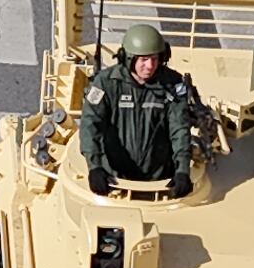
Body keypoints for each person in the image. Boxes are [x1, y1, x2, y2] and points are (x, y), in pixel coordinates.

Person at [77, 24, 199, 194]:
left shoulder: (172, 84)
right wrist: (94, 167)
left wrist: (182, 170)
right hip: (114, 179)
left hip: (159, 178)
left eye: (155, 59)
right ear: (128, 58)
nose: (150, 66)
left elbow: (179, 128)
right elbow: (90, 124)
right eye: (143, 59)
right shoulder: (106, 84)